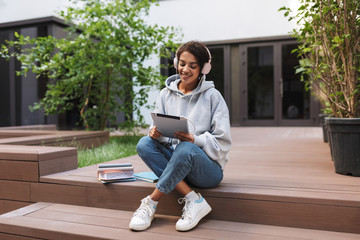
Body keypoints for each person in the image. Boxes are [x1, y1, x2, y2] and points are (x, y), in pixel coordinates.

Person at [129, 40, 232, 232]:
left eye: (193, 66)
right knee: (144, 143)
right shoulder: (165, 94)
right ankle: (193, 199)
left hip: (207, 171)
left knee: (186, 148)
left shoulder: (213, 97)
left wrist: (195, 139)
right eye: (182, 64)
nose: (185, 69)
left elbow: (223, 142)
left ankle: (151, 202)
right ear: (176, 62)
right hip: (177, 165)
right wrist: (155, 133)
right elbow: (157, 127)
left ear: (204, 68)